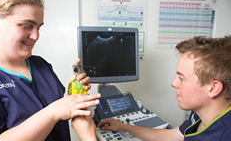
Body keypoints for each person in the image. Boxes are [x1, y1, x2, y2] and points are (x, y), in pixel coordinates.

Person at [0, 0, 100, 140]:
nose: (35, 36)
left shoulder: (40, 65)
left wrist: (71, 97)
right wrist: (54, 112)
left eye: (39, 27)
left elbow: (60, 110)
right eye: (26, 26)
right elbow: (56, 110)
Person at [94, 36, 231, 141]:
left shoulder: (222, 136)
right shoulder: (201, 114)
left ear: (213, 88)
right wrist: (123, 126)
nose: (173, 83)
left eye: (181, 78)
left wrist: (87, 135)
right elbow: (171, 136)